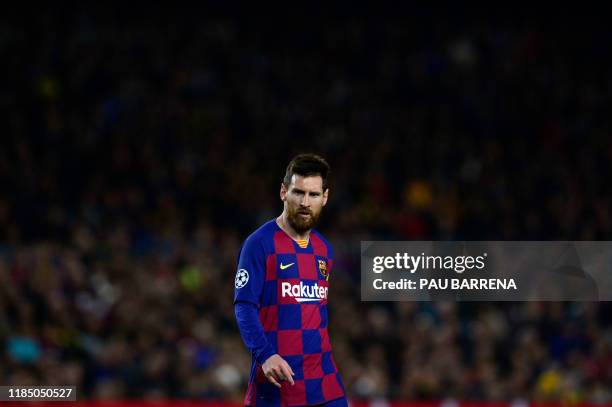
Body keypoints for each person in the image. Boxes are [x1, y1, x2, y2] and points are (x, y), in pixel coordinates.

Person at [234, 154, 347, 407]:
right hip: (277, 386)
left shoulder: (324, 249)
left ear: (325, 198)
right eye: (299, 192)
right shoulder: (259, 244)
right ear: (284, 192)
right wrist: (266, 356)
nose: (306, 202)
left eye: (314, 195)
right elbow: (244, 306)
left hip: (325, 384)